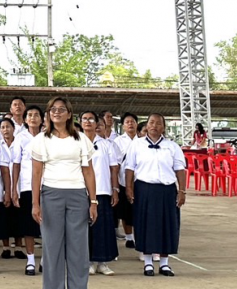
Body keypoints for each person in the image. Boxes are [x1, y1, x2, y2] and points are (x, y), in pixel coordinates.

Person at [30, 96, 96, 289]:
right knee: (52, 248)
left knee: (78, 248)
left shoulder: (81, 140)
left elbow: (88, 171)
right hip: (51, 194)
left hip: (77, 195)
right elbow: (37, 172)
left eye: (61, 109)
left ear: (69, 114)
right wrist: (35, 203)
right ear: (48, 114)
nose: (56, 112)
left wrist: (93, 201)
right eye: (52, 109)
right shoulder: (41, 139)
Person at [123, 113, 187, 277]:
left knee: (168, 225)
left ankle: (165, 264)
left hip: (166, 189)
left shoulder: (172, 146)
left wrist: (182, 190)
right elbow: (129, 167)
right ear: (146, 126)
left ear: (163, 128)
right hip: (144, 189)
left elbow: (180, 168)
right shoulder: (136, 145)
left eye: (158, 123)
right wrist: (129, 188)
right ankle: (148, 263)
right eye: (151, 122)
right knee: (145, 225)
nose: (154, 126)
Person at [80, 110, 118, 276]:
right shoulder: (75, 143)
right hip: (81, 190)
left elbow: (114, 168)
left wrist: (115, 189)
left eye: (91, 119)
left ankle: (102, 262)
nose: (88, 122)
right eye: (85, 119)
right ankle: (87, 261)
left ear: (97, 124)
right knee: (84, 228)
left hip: (102, 190)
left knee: (103, 227)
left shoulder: (106, 144)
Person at [15, 104, 43, 274]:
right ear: (25, 119)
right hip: (26, 186)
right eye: (30, 115)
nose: (33, 118)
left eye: (36, 115)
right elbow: (15, 165)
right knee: (28, 225)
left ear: (42, 119)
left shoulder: (48, 137)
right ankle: (31, 260)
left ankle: (46, 259)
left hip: (47, 186)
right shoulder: (20, 138)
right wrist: (13, 189)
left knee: (47, 224)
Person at [0, 117, 19, 270]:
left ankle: (15, 248)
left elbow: (5, 171)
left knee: (5, 224)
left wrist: (8, 191)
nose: (5, 130)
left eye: (8, 126)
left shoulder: (19, 142)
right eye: (2, 127)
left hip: (7, 190)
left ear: (14, 128)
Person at [112, 112, 139, 249]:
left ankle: (138, 235)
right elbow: (115, 164)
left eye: (132, 121)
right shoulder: (118, 141)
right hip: (123, 180)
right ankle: (129, 237)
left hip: (140, 179)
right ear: (123, 126)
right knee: (125, 211)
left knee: (138, 210)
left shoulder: (142, 139)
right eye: (127, 122)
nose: (130, 124)